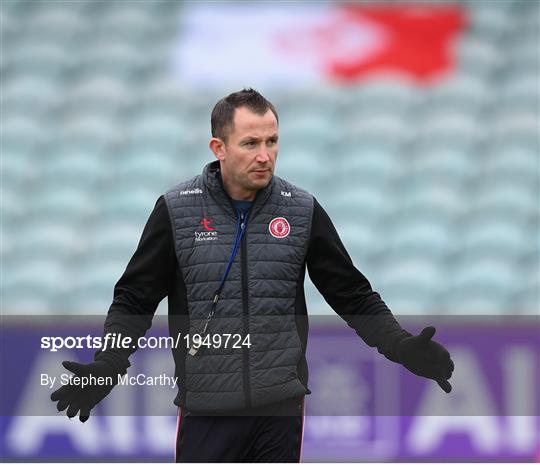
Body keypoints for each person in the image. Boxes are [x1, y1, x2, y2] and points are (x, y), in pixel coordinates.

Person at [51, 88, 454, 462]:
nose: (265, 155)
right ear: (219, 148)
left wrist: (401, 346)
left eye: (272, 141)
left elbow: (352, 295)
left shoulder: (301, 210)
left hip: (279, 411)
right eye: (251, 143)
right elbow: (134, 300)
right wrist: (107, 365)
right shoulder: (176, 210)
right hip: (205, 410)